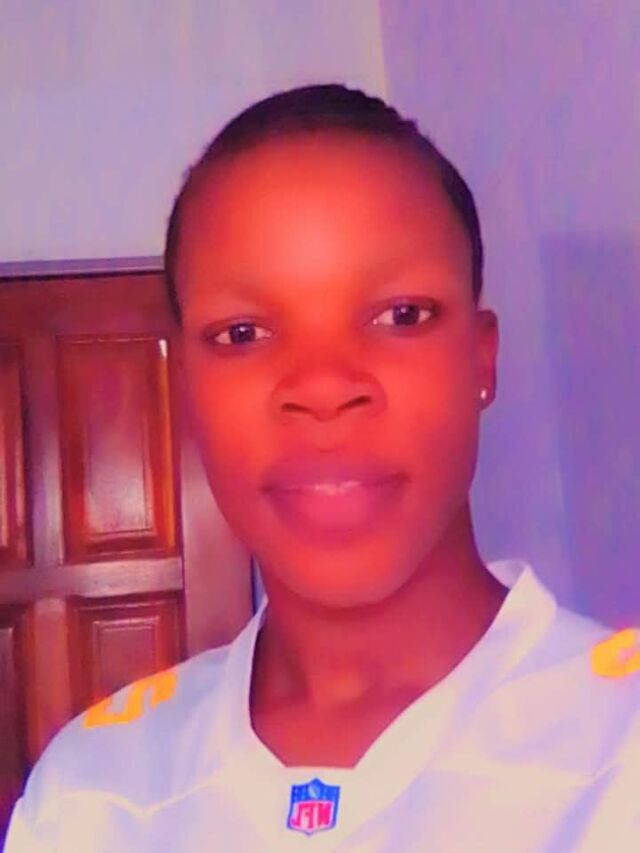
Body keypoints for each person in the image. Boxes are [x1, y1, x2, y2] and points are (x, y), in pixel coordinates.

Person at [5, 84, 639, 852]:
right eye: (242, 333)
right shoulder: (95, 793)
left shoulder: (620, 747)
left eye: (401, 315)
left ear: (482, 359)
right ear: (188, 390)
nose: (323, 386)